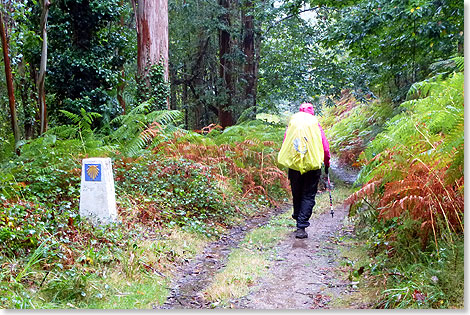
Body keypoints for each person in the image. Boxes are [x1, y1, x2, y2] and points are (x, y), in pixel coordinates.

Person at [277, 102, 330, 239]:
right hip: (312, 166)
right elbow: (325, 147)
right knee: (308, 194)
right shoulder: (315, 124)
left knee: (297, 193)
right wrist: (327, 162)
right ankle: (301, 226)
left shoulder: (293, 124)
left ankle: (298, 220)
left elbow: (286, 142)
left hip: (294, 165)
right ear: (312, 112)